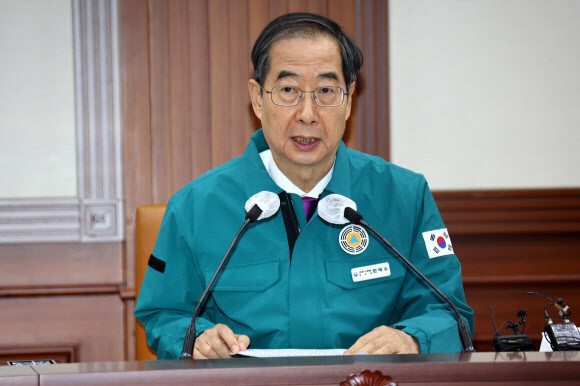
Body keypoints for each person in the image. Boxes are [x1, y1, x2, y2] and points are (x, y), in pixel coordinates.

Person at [135, 12, 474, 360]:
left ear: (349, 99)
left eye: (326, 91)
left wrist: (414, 339)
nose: (308, 113)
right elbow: (163, 314)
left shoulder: (404, 197)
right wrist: (199, 338)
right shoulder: (195, 207)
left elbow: (449, 314)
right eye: (288, 91)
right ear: (257, 99)